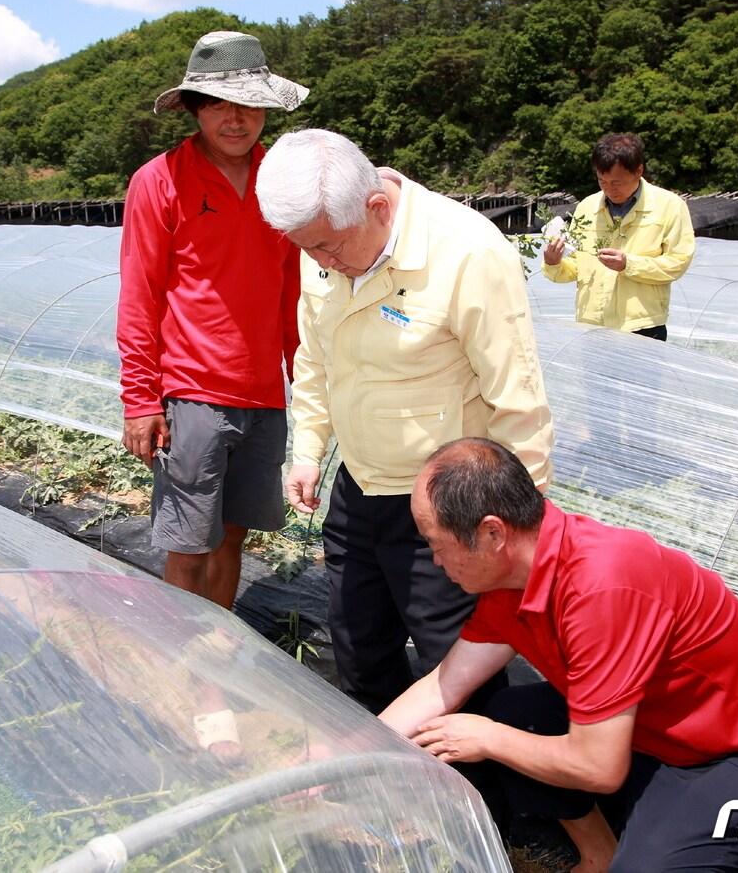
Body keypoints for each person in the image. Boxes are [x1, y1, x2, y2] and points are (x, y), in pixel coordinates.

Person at [381, 438, 738, 873]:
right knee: (514, 714)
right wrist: (345, 754)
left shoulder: (603, 586)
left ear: (492, 532)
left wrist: (487, 738)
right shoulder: (513, 578)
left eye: (437, 544)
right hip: (652, 728)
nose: (436, 560)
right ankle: (599, 855)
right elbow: (446, 685)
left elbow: (598, 767)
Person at [255, 129, 554, 714]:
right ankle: (393, 779)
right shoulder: (325, 242)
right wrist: (310, 449)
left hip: (447, 503)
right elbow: (316, 361)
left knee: (456, 671)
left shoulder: (467, 252)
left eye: (330, 247)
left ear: (378, 206)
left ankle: (481, 797)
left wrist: (522, 532)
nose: (321, 262)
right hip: (359, 486)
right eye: (308, 248)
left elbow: (516, 397)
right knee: (360, 650)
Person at [117, 30, 307, 609]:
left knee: (233, 534)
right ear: (197, 109)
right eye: (220, 104)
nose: (236, 119)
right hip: (193, 391)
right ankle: (180, 655)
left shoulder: (283, 179)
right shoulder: (160, 181)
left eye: (249, 104)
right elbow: (140, 295)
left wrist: (305, 375)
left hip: (263, 394)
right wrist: (141, 401)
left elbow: (292, 289)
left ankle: (217, 649)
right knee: (189, 543)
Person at [542, 133, 694, 341]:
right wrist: (554, 263)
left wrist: (628, 264)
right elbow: (578, 266)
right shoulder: (587, 207)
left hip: (641, 327)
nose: (609, 189)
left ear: (639, 170)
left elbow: (678, 262)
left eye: (617, 183)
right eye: (602, 181)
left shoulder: (669, 206)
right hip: (592, 326)